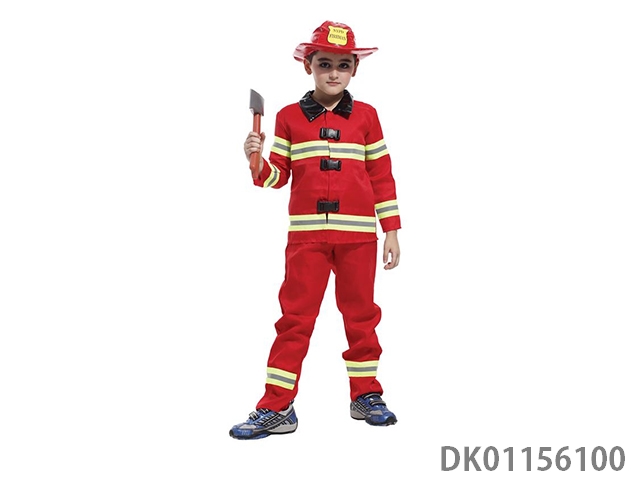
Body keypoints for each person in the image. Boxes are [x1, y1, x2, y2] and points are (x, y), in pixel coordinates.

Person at [230, 20, 401, 440]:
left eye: (343, 65)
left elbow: (381, 175)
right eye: (325, 63)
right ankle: (277, 405)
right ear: (308, 65)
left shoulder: (367, 117)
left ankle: (366, 395)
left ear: (355, 69)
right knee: (294, 320)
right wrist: (256, 161)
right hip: (306, 239)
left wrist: (391, 229)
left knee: (362, 317)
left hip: (358, 238)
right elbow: (276, 177)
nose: (333, 73)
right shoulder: (289, 117)